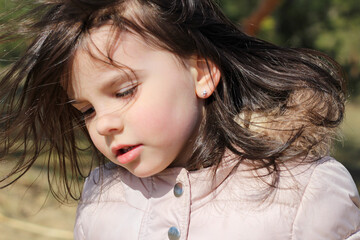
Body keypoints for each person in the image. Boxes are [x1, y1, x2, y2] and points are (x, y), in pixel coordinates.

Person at [0, 0, 359, 239]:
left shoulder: (307, 191)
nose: (103, 124)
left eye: (123, 91)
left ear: (201, 73)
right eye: (87, 111)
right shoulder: (102, 199)